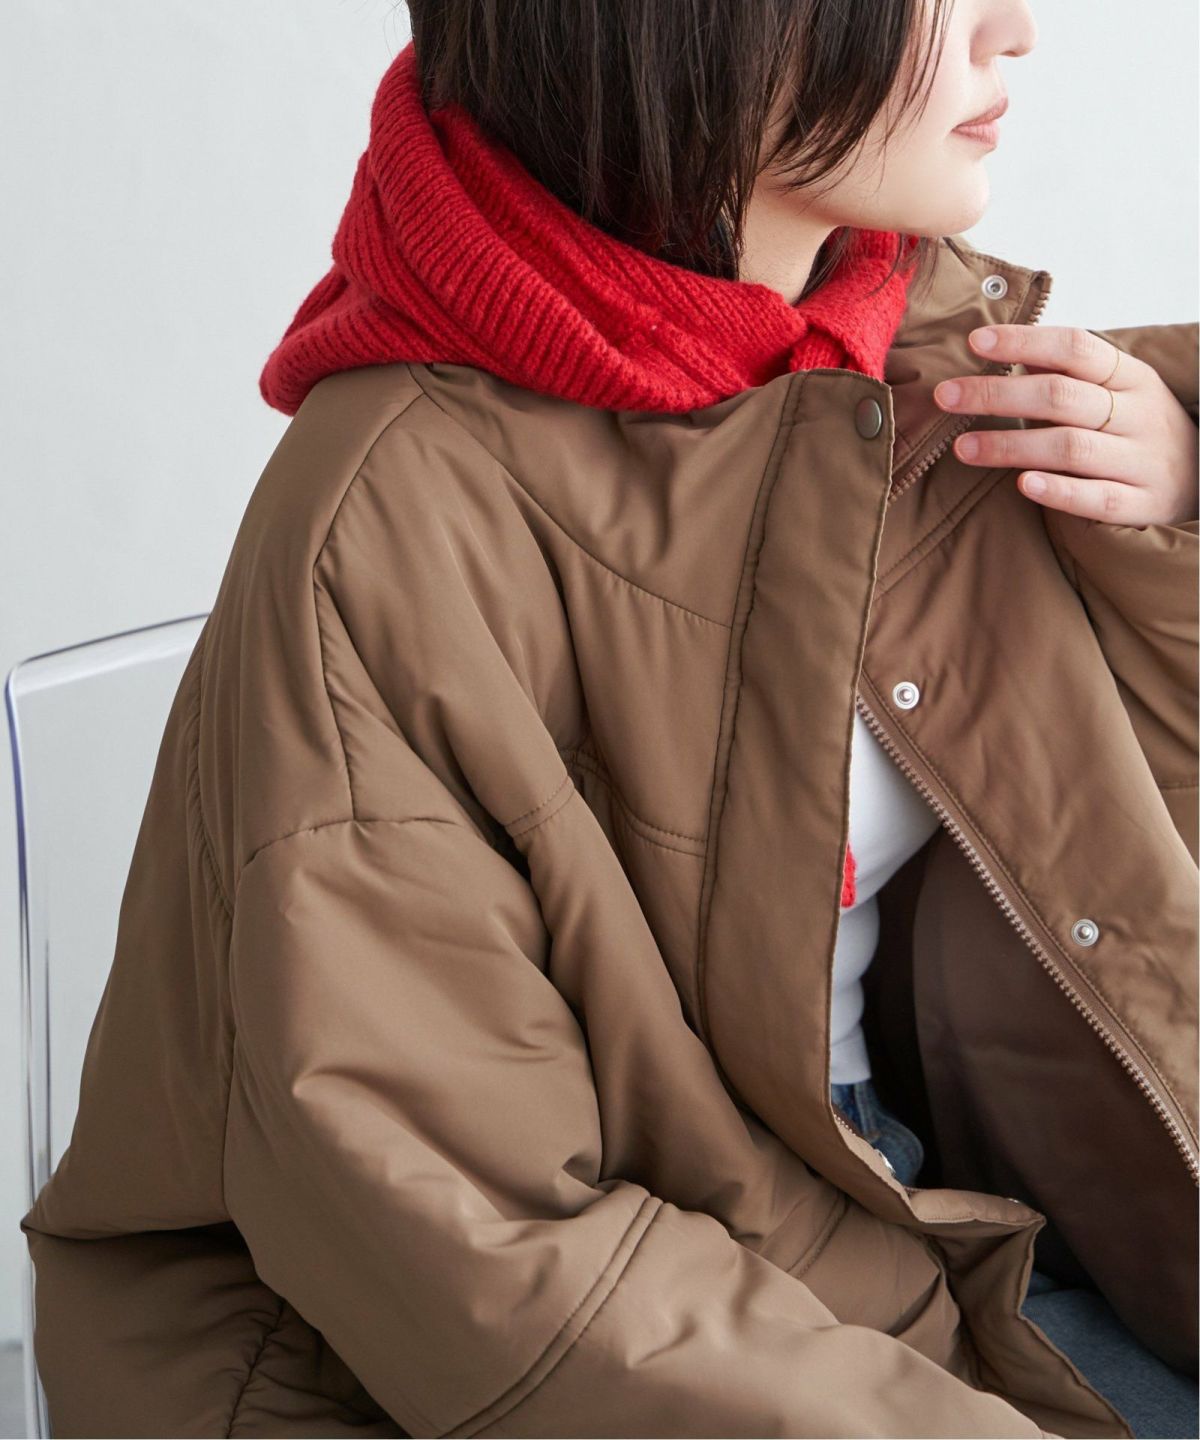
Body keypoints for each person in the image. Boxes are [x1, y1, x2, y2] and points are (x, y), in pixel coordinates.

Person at [20, 1, 1198, 1436]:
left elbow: (1124, 888)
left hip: (898, 1208)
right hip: (530, 1335)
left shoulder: (893, 357)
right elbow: (483, 1241)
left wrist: (1177, 517)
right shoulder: (388, 521)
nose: (1014, 28)